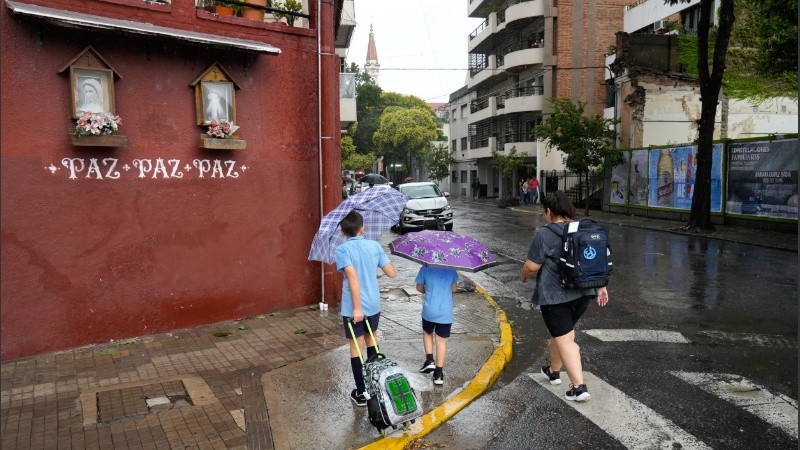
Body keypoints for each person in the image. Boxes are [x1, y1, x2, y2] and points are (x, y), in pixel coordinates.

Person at [520, 191, 609, 402]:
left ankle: (579, 387)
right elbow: (598, 260)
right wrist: (602, 286)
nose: (544, 216)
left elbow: (532, 266)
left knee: (566, 339)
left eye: (544, 212)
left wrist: (524, 275)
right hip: (583, 293)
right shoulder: (585, 229)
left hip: (555, 296)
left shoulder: (545, 233)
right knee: (560, 334)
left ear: (549, 211)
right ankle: (553, 370)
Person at [335, 210, 397, 406]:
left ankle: (362, 393)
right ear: (362, 227)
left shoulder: (342, 250)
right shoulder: (375, 245)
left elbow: (352, 277)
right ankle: (374, 385)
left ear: (343, 231)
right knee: (372, 341)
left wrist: (356, 309)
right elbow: (391, 273)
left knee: (356, 348)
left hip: (354, 308)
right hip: (373, 304)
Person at [415, 266, 459, 385]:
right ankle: (438, 374)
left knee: (427, 333)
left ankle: (429, 360)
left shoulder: (425, 268)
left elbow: (419, 288)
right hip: (445, 312)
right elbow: (454, 289)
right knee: (441, 341)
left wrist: (428, 290)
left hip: (429, 310)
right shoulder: (452, 270)